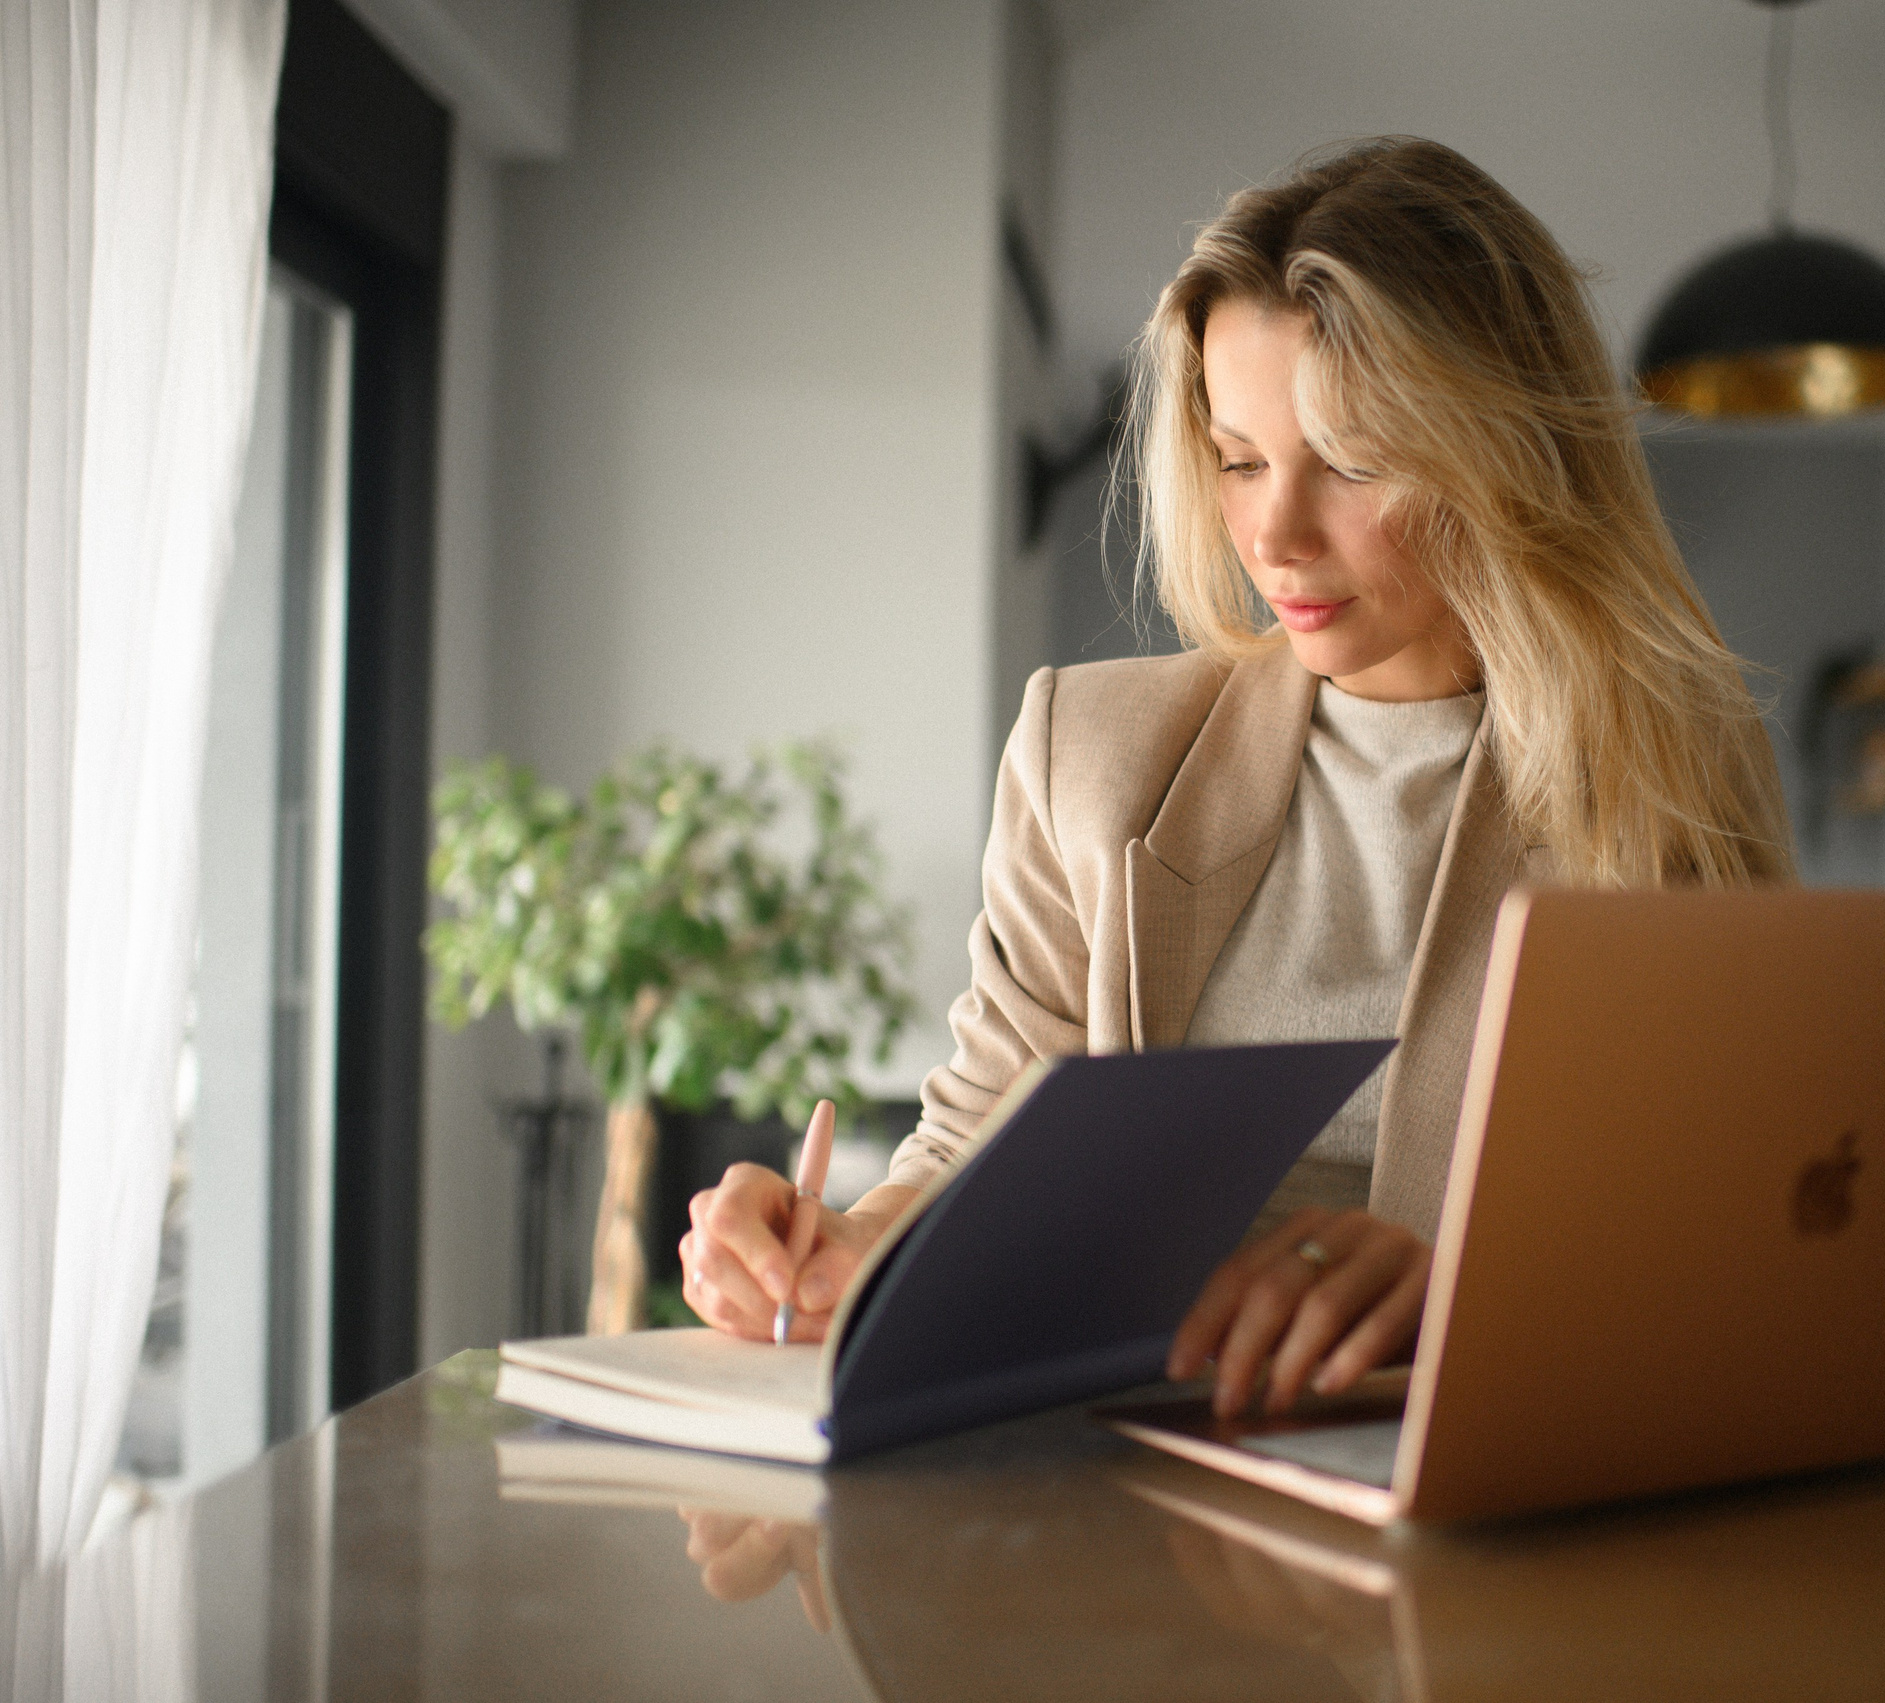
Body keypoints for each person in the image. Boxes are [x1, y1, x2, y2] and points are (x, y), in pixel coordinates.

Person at [678, 136, 1793, 1421]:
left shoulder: (1674, 762)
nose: (1272, 533)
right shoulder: (1086, 750)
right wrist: (836, 1246)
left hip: (1496, 1466)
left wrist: (1472, 1285)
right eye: (1238, 455)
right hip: (1131, 1480)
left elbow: (1740, 1211)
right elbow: (973, 1140)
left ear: (1505, 446)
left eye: (1355, 458)